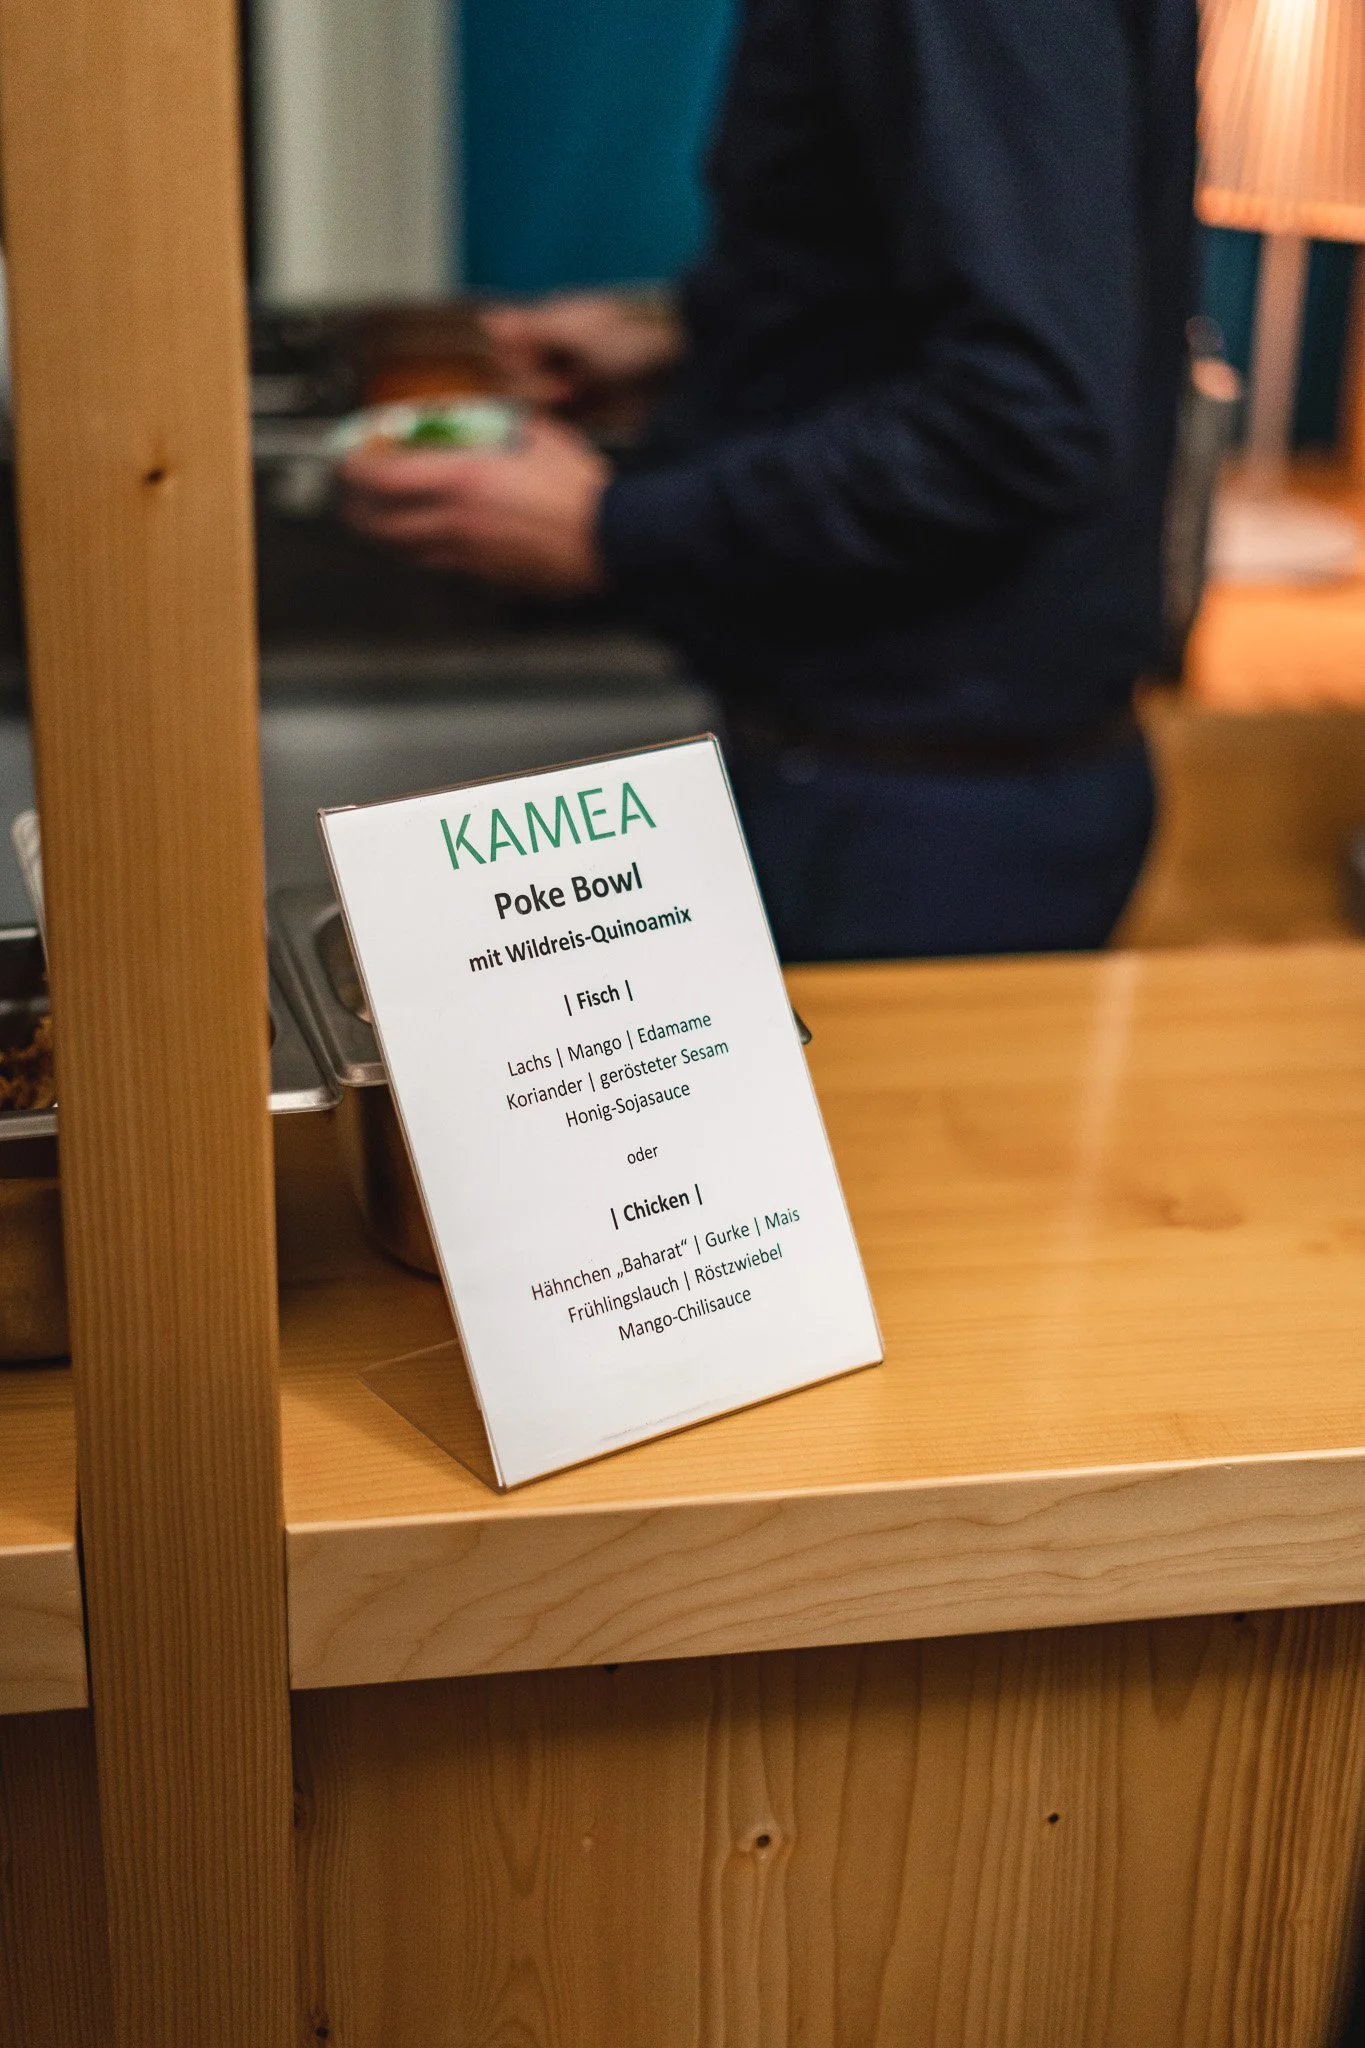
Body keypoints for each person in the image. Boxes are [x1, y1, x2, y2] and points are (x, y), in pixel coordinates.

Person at [341, 0, 1198, 962]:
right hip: (906, 783)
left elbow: (1027, 420)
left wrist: (610, 529)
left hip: (918, 811)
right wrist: (703, 342)